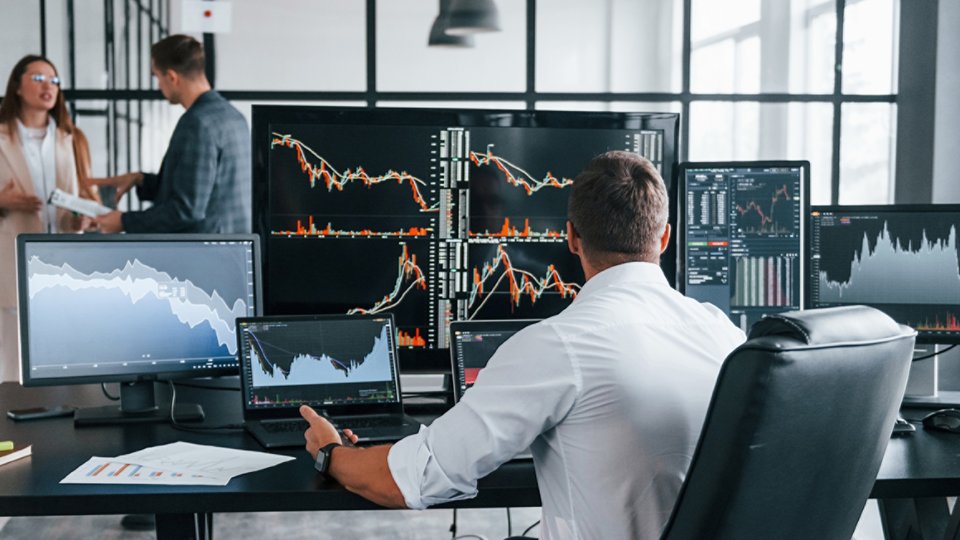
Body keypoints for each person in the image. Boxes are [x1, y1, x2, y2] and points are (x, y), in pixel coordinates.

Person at [299, 151, 747, 539]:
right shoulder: (725, 334)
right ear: (664, 237)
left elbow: (413, 479)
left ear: (571, 237)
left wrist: (330, 454)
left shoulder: (558, 344)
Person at [0, 54, 101, 383]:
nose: (48, 86)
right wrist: (4, 200)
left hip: (63, 261)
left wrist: (83, 218)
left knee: (66, 355)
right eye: (38, 78)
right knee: (12, 359)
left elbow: (86, 197)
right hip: (11, 259)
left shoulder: (72, 139)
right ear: (16, 85)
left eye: (54, 80)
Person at [93, 34, 250, 234]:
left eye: (157, 76)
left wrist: (124, 221)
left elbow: (187, 209)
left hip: (207, 254)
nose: (158, 86)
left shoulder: (197, 123)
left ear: (172, 77)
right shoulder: (234, 117)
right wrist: (141, 179)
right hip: (233, 247)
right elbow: (205, 189)